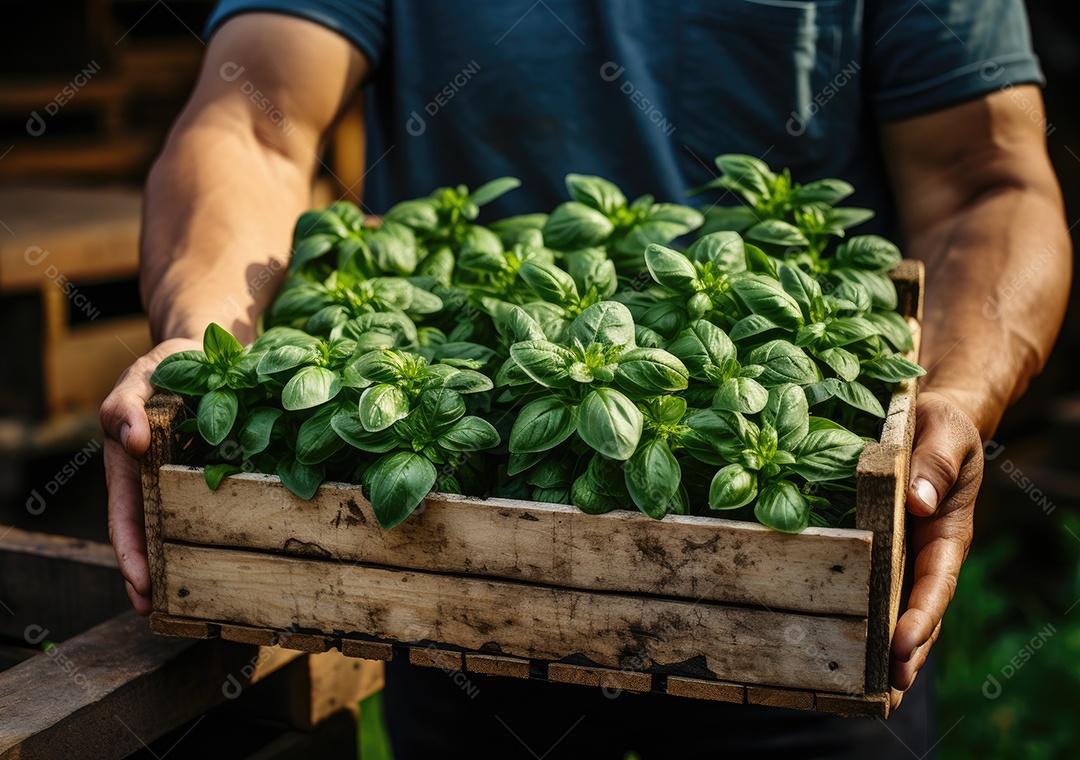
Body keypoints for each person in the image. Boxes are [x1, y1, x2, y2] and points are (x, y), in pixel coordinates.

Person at [100, 1, 1071, 757]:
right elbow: (253, 120)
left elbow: (988, 181)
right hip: (460, 559)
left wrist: (959, 395)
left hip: (799, 582)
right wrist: (203, 340)